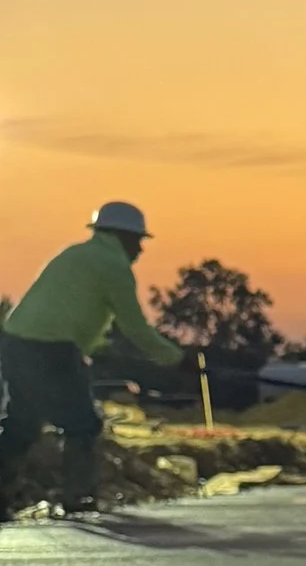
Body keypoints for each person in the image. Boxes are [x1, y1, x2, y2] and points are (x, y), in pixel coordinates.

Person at [0, 200, 188, 515]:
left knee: (22, 426)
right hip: (53, 350)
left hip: (15, 342)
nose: (140, 250)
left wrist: (87, 351)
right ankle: (79, 498)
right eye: (138, 241)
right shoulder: (114, 267)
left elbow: (68, 309)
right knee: (83, 424)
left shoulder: (74, 254)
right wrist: (174, 358)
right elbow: (134, 327)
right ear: (123, 237)